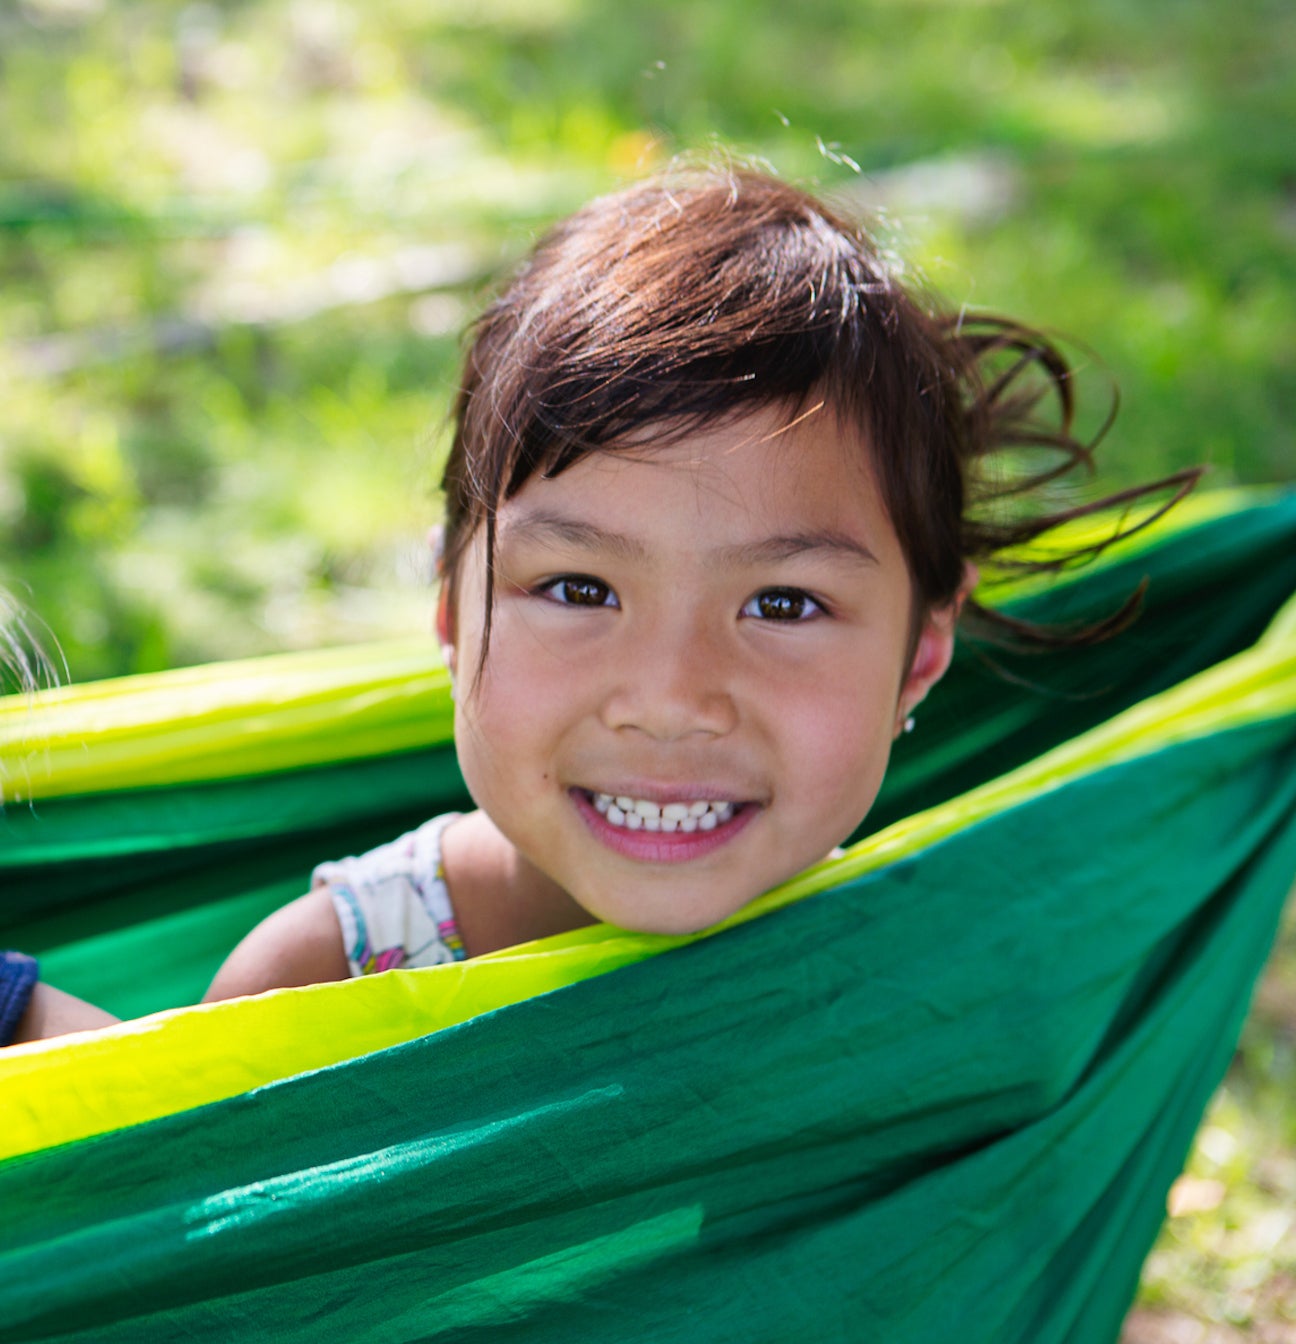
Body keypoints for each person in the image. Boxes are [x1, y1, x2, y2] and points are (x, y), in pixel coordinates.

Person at [2, 164, 1196, 1046]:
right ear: (454, 611)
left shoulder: (936, 969)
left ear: (922, 657)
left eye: (782, 603)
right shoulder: (334, 975)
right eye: (579, 588)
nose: (671, 699)